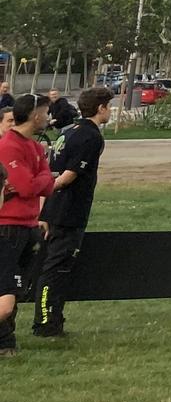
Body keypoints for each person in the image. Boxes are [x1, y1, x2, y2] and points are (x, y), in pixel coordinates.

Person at [29, 86, 109, 339]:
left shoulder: (68, 132)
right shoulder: (91, 136)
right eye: (108, 106)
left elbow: (51, 169)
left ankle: (52, 317)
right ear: (100, 108)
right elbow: (67, 176)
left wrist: (45, 208)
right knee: (56, 268)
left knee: (56, 266)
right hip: (69, 209)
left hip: (55, 208)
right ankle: (46, 321)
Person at [0, 95, 53, 355]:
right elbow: (27, 185)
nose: (48, 117)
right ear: (35, 115)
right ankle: (5, 342)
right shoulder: (9, 145)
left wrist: (41, 178)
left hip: (29, 224)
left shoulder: (34, 147)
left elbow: (48, 184)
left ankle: (6, 341)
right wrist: (42, 177)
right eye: (45, 112)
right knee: (6, 292)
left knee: (17, 289)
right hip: (8, 226)